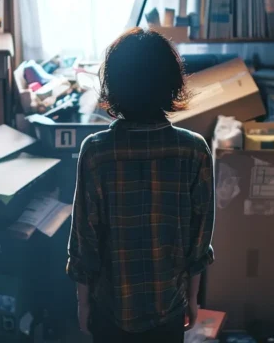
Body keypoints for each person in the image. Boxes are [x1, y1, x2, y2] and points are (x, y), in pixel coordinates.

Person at [65, 27, 216, 343]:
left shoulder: (96, 152)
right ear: (172, 84)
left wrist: (82, 304)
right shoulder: (194, 150)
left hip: (111, 309)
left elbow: (84, 242)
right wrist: (193, 298)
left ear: (114, 86)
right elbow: (199, 239)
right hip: (169, 308)